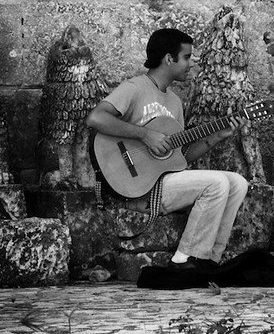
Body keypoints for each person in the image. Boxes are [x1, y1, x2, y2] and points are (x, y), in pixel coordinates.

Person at [86, 28, 249, 269]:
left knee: (238, 182)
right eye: (186, 57)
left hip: (165, 182)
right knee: (218, 183)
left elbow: (179, 158)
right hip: (137, 188)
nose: (191, 63)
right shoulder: (135, 87)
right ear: (168, 59)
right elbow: (96, 118)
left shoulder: (174, 102)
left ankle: (211, 259)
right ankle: (185, 258)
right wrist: (145, 134)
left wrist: (217, 136)